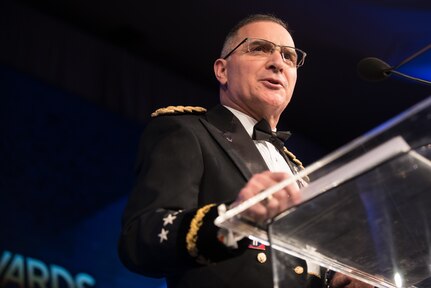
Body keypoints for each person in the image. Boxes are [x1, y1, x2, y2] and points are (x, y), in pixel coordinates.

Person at [118, 13, 373, 288]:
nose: (278, 63)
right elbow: (140, 241)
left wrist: (338, 280)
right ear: (222, 70)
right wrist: (235, 219)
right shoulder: (187, 131)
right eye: (259, 48)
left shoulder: (300, 171)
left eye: (289, 56)